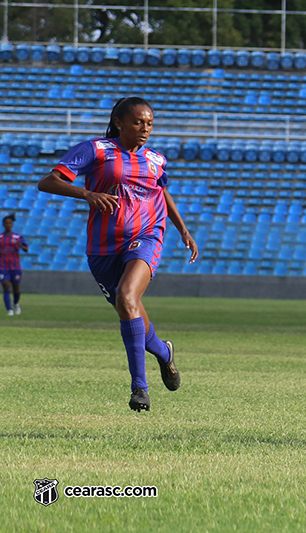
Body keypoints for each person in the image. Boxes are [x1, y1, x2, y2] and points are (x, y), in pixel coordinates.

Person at [38, 97, 199, 412]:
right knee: (130, 310)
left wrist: (182, 229)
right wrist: (88, 193)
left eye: (150, 123)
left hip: (146, 236)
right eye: (138, 122)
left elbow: (161, 192)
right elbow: (48, 181)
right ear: (119, 122)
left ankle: (140, 388)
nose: (145, 129)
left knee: (127, 297)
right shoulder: (95, 150)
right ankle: (165, 353)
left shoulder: (156, 160)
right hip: (102, 249)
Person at [1, 214, 29, 316]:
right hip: (3, 267)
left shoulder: (17, 237)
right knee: (6, 286)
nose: (8, 225)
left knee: (16, 288)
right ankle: (9, 309)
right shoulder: (0, 237)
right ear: (3, 224)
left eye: (10, 223)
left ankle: (16, 303)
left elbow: (26, 249)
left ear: (12, 224)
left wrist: (21, 246)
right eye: (6, 223)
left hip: (15, 267)